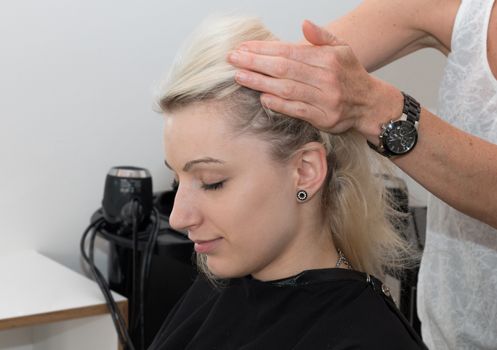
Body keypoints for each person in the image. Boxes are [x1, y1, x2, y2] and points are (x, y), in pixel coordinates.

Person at [226, 0, 497, 349]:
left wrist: (377, 109)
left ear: (307, 172)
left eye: (213, 183)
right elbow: (292, 71)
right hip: (449, 334)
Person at [148, 15, 427, 350]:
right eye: (178, 179)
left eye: (211, 182)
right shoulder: (218, 284)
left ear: (305, 171)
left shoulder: (366, 339)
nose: (178, 218)